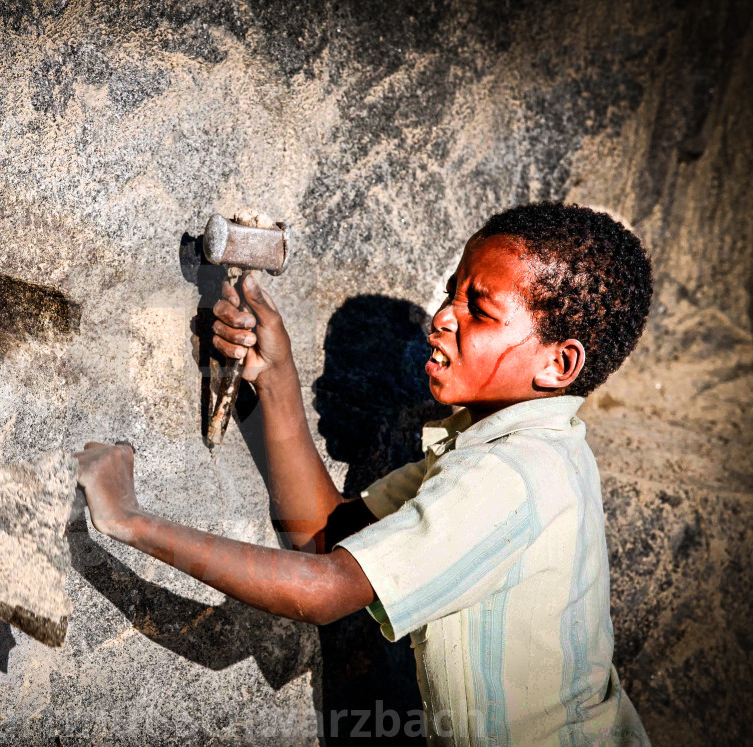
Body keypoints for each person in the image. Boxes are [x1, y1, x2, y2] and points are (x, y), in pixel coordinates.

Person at [75, 202, 653, 744]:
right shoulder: (499, 446)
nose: (443, 317)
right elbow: (327, 537)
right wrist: (276, 380)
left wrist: (129, 520)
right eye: (452, 292)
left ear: (559, 363)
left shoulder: (513, 472)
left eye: (479, 309)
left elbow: (326, 591)